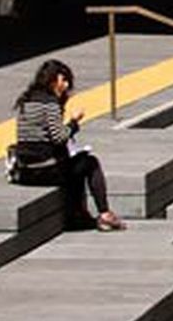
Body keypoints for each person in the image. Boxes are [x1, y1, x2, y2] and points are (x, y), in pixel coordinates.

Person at [10, 59, 123, 230]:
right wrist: (74, 122)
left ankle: (79, 215)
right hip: (45, 170)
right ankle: (104, 213)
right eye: (64, 80)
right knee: (90, 162)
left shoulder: (27, 100)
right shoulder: (50, 104)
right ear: (53, 80)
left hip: (25, 170)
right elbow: (59, 137)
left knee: (75, 165)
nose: (66, 85)